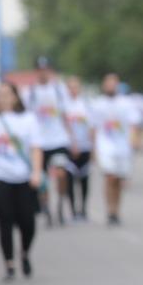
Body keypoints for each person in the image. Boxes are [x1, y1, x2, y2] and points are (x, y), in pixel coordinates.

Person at [0, 82, 43, 281]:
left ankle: (25, 252)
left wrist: (37, 172)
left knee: (27, 221)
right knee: (5, 218)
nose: (3, 98)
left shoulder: (28, 119)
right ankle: (9, 263)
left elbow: (36, 148)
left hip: (23, 176)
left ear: (15, 97)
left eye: (7, 94)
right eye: (0, 95)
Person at [25, 57, 74, 226]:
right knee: (43, 180)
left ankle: (60, 202)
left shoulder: (59, 90)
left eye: (45, 69)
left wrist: (73, 139)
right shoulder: (30, 92)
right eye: (40, 69)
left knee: (61, 173)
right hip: (40, 143)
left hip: (58, 139)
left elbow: (66, 115)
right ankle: (46, 207)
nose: (43, 72)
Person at [89, 73, 141, 225]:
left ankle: (116, 209)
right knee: (110, 177)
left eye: (113, 83)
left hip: (123, 147)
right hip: (105, 145)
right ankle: (110, 210)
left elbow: (134, 124)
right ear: (104, 86)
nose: (111, 86)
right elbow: (93, 127)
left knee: (118, 180)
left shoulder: (126, 103)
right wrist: (93, 149)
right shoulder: (97, 104)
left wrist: (134, 139)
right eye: (108, 83)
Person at [62, 76, 95, 222]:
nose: (73, 90)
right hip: (69, 147)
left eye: (76, 87)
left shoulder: (87, 104)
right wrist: (72, 143)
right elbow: (63, 126)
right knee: (69, 180)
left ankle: (83, 209)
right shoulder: (63, 105)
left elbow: (92, 127)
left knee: (84, 179)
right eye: (71, 87)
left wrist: (93, 147)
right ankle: (73, 210)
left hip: (85, 146)